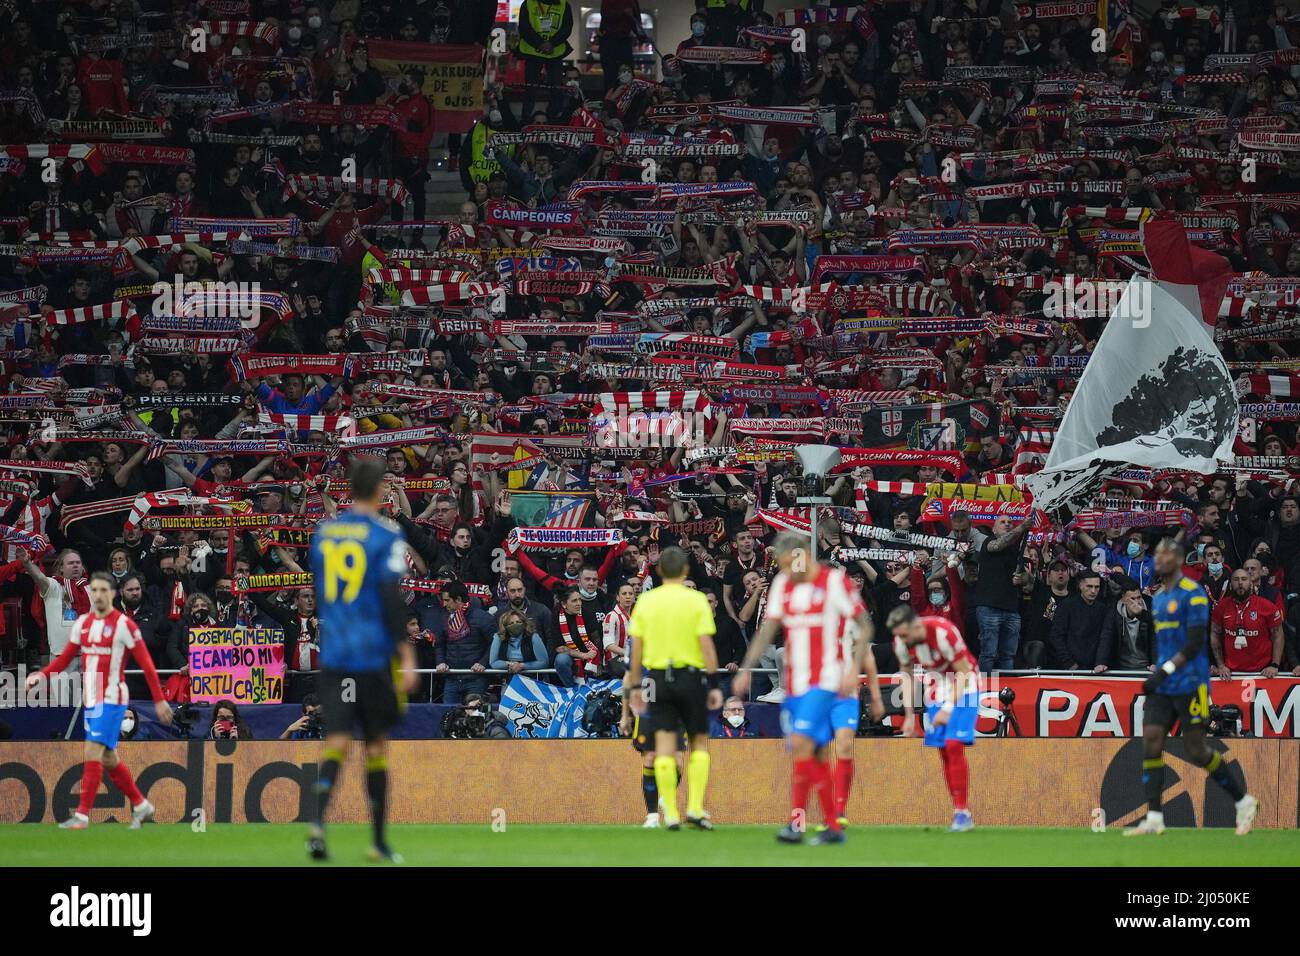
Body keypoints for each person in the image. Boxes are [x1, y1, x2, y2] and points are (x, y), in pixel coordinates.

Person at [733, 532, 884, 844]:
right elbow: (767, 630)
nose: (788, 571)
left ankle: (797, 823)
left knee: (806, 744)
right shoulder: (783, 586)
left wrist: (853, 670)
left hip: (830, 680)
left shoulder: (834, 583)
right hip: (796, 685)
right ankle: (831, 826)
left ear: (804, 555)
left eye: (790, 564)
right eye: (783, 566)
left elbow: (865, 624)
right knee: (812, 753)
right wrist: (747, 668)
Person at [306, 457, 418, 863]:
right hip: (371, 653)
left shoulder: (325, 534)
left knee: (336, 740)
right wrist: (405, 650)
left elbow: (322, 590)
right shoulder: (386, 535)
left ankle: (317, 824)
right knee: (375, 745)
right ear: (379, 491)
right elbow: (390, 597)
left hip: (335, 652)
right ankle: (378, 842)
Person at [1125, 540, 1258, 837]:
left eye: (1164, 554)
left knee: (1195, 749)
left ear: (1179, 559)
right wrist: (1143, 616)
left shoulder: (1194, 594)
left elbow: (1195, 641)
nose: (1158, 558)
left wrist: (1165, 671)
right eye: (1156, 553)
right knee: (1151, 741)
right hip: (1165, 684)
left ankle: (1243, 801)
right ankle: (1155, 817)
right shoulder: (1158, 598)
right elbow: (1166, 630)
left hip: (1190, 682)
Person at [24, 572, 173, 829]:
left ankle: (81, 815)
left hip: (113, 698)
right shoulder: (83, 624)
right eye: (95, 591)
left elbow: (148, 665)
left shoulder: (125, 625)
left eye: (105, 590)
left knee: (93, 750)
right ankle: (141, 804)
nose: (100, 595)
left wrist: (159, 700)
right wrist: (42, 675)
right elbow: (64, 659)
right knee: (107, 757)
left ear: (113, 594)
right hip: (91, 699)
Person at [625, 546, 721, 831]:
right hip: (689, 678)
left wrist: (632, 690)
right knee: (698, 744)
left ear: (658, 571)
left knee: (664, 747)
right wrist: (714, 683)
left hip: (656, 679)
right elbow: (706, 645)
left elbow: (636, 653)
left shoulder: (645, 602)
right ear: (686, 571)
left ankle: (673, 815)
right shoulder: (696, 601)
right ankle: (695, 808)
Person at [887, 604, 979, 832]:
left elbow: (964, 672)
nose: (903, 641)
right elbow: (907, 677)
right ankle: (961, 812)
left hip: (965, 684)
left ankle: (961, 812)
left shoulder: (943, 632)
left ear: (916, 625)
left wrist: (948, 708)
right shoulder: (901, 642)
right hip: (937, 685)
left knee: (954, 743)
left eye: (905, 635)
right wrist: (908, 716)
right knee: (944, 751)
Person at [1209, 568, 1286, 679]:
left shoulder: (1267, 606)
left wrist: (1274, 664)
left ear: (1250, 583)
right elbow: (1214, 633)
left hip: (1263, 671)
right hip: (1231, 672)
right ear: (1231, 584)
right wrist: (1220, 665)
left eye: (1244, 579)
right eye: (1236, 579)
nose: (1240, 583)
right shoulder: (1221, 607)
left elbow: (1278, 634)